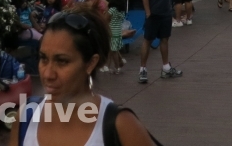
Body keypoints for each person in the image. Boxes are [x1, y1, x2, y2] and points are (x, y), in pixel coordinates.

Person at [19, 8, 156, 146]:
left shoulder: (120, 125)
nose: (48, 74)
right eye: (43, 58)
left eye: (62, 61)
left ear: (90, 63)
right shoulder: (27, 116)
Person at [102, 0, 128, 74]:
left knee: (113, 52)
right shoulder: (121, 11)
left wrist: (105, 11)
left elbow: (106, 19)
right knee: (114, 49)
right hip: (117, 32)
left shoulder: (112, 10)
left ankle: (117, 68)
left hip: (111, 32)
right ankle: (119, 62)